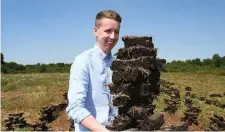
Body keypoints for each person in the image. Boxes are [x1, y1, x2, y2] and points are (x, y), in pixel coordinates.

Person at [66, 10, 122, 131]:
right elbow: (75, 108)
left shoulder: (118, 64)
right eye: (108, 31)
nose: (113, 36)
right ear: (95, 31)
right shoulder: (83, 61)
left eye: (116, 32)